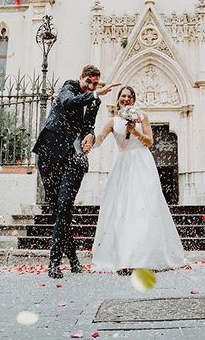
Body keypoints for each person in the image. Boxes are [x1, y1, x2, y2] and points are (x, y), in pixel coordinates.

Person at [32, 65, 119, 279]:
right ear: (80, 78)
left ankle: (54, 264)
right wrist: (93, 94)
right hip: (50, 153)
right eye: (88, 82)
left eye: (95, 84)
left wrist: (89, 135)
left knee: (64, 206)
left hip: (73, 159)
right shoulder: (68, 88)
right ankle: (72, 258)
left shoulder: (94, 101)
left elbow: (87, 125)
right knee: (58, 211)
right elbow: (67, 103)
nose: (90, 86)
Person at [91, 86, 185, 273]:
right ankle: (125, 257)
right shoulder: (112, 121)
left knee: (144, 207)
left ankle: (145, 256)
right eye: (123, 96)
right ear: (118, 100)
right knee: (121, 209)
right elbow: (100, 138)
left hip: (141, 163)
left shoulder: (142, 117)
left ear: (133, 100)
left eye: (129, 96)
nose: (126, 99)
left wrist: (135, 131)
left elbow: (150, 142)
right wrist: (89, 142)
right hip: (122, 165)